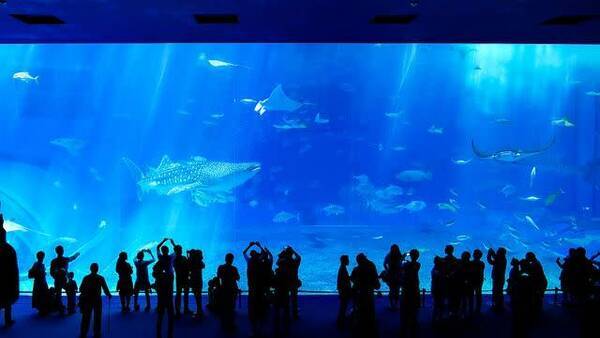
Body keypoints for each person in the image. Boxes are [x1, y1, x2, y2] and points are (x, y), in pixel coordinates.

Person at [243, 241, 271, 336]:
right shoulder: (259, 261)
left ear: (251, 255)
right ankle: (259, 325)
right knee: (260, 306)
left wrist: (249, 245)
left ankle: (254, 328)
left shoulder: (249, 262)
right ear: (257, 256)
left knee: (253, 306)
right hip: (260, 288)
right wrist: (259, 246)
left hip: (252, 288)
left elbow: (244, 253)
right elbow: (265, 254)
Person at [78, 263, 112, 338]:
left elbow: (81, 289)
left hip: (87, 299)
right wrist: (108, 295)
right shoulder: (101, 278)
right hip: (97, 299)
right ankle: (97, 333)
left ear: (90, 269)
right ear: (97, 269)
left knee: (86, 317)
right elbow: (105, 289)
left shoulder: (86, 278)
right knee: (97, 316)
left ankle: (83, 333)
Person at [350, 253, 380, 337]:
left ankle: (360, 326)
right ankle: (370, 326)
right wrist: (377, 286)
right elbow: (375, 278)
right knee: (370, 308)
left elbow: (352, 279)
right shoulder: (371, 265)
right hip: (369, 292)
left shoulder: (356, 269)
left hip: (360, 292)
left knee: (360, 308)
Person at [0, 214, 19, 328]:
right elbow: (13, 270)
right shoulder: (9, 250)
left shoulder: (9, 250)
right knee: (7, 302)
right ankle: (8, 320)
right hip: (6, 281)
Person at [50, 244, 80, 313]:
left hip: (57, 280)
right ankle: (71, 308)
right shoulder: (65, 259)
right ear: (63, 251)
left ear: (56, 252)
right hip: (65, 280)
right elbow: (73, 258)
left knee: (58, 294)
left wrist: (56, 277)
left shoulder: (53, 261)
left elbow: (51, 272)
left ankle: (60, 308)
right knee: (71, 291)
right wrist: (77, 254)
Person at [217, 253, 240, 331]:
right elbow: (238, 278)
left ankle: (223, 322)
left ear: (225, 259)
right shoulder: (234, 268)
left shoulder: (220, 267)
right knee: (231, 306)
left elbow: (218, 276)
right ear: (232, 260)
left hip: (224, 288)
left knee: (224, 306)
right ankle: (230, 323)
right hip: (233, 288)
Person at [277, 246, 302, 319]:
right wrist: (293, 250)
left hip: (285, 283)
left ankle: (286, 314)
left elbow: (277, 263)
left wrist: (282, 254)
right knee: (294, 299)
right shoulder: (295, 262)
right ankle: (295, 315)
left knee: (285, 299)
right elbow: (299, 257)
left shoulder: (283, 262)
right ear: (291, 254)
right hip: (294, 282)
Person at [400, 249, 420, 338]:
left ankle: (404, 326)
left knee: (405, 307)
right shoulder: (418, 264)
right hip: (414, 287)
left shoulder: (406, 264)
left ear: (411, 255)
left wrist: (402, 258)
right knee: (414, 308)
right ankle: (413, 324)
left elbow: (401, 266)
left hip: (407, 287)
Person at [154, 254, 175, 338]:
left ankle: (158, 334)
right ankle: (170, 335)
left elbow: (155, 272)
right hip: (169, 298)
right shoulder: (170, 275)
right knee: (170, 317)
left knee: (160, 317)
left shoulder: (158, 277)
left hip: (161, 299)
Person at [382, 244, 403, 310]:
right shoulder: (399, 255)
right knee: (397, 290)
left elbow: (384, 264)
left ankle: (391, 305)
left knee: (391, 290)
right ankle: (396, 305)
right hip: (398, 274)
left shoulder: (388, 255)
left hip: (391, 275)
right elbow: (400, 264)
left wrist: (387, 270)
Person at [28, 251, 50, 315]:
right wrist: (43, 274)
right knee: (41, 295)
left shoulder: (36, 264)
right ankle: (42, 309)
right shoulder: (38, 264)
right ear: (43, 257)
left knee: (39, 295)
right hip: (40, 282)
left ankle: (41, 309)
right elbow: (38, 273)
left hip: (39, 282)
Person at [487, 247, 507, 312]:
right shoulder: (501, 258)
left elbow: (492, 260)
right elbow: (491, 261)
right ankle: (498, 305)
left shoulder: (501, 259)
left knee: (497, 291)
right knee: (498, 291)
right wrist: (490, 254)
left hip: (498, 278)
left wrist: (490, 253)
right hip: (498, 278)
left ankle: (497, 306)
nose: (497, 252)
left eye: (498, 251)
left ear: (500, 253)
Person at [173, 245, 191, 317]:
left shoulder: (182, 257)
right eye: (180, 250)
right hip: (180, 278)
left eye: (181, 249)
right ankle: (177, 311)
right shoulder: (175, 259)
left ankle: (185, 309)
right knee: (179, 295)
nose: (181, 251)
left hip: (184, 278)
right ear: (176, 251)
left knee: (185, 294)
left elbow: (188, 266)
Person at [188, 249, 205, 317]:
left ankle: (199, 311)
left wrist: (189, 256)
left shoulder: (191, 262)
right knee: (199, 295)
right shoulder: (200, 262)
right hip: (199, 280)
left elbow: (188, 269)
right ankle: (199, 310)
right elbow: (203, 265)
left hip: (194, 280)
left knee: (196, 296)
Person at [337, 254, 352, 328]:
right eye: (348, 260)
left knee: (343, 305)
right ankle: (340, 321)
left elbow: (343, 279)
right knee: (343, 305)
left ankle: (341, 319)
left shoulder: (342, 268)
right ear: (345, 261)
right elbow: (343, 281)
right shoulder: (343, 269)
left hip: (342, 290)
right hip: (344, 291)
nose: (349, 261)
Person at [470, 249, 485, 314]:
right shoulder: (482, 263)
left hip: (472, 280)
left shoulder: (471, 263)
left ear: (474, 255)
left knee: (471, 294)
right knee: (478, 294)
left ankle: (471, 308)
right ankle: (478, 309)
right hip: (479, 280)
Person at [430, 256, 444, 323]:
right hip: (437, 289)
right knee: (437, 304)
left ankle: (437, 318)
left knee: (438, 304)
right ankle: (436, 318)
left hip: (436, 288)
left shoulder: (435, 269)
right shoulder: (436, 270)